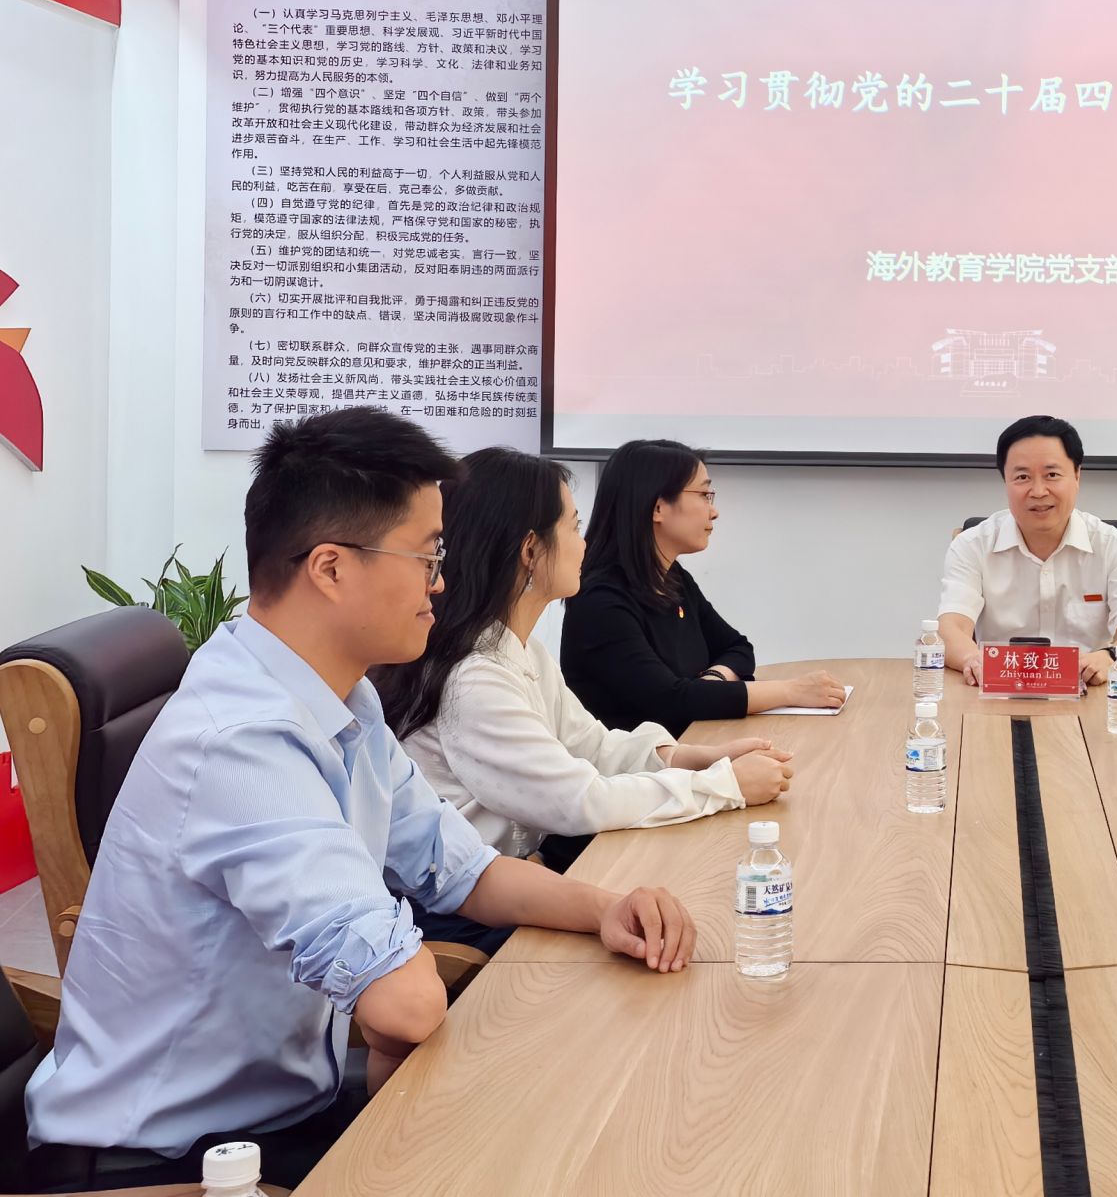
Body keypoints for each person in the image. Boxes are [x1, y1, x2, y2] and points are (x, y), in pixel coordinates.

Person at [25, 408, 695, 1188]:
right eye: (427, 553)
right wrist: (390, 1011)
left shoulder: (342, 700)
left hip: (279, 1110)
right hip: (167, 1160)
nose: (441, 581)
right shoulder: (241, 741)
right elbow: (404, 1005)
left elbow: (463, 869)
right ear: (331, 568)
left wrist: (607, 909)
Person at [377, 448, 796, 939]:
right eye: (574, 527)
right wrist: (724, 787)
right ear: (530, 550)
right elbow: (579, 801)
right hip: (466, 914)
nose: (584, 543)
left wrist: (695, 758)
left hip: (519, 880)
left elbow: (592, 746)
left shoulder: (517, 648)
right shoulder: (474, 677)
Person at [559, 438, 844, 731]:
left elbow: (738, 648)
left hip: (692, 746)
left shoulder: (673, 578)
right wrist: (791, 691)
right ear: (658, 507)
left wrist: (712, 681)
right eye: (704, 495)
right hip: (643, 759)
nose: (714, 511)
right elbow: (671, 700)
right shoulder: (600, 602)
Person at [939, 414, 1117, 688]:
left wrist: (1108, 657)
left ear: (1077, 476)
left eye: (1052, 475)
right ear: (1005, 482)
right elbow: (950, 629)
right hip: (998, 690)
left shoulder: (1115, 546)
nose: (1038, 491)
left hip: (1090, 694)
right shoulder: (971, 546)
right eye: (1022, 477)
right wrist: (973, 659)